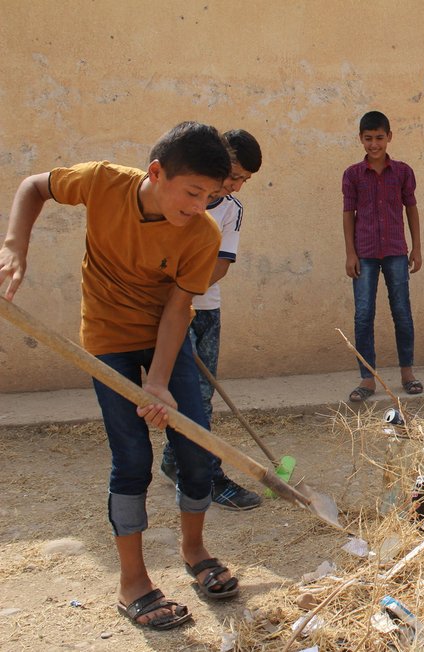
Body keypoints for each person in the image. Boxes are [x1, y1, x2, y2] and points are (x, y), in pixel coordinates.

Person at [0, 122, 240, 631]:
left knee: (196, 447)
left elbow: (178, 312)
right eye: (193, 192)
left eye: (212, 197)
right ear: (156, 173)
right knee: (131, 456)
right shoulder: (103, 182)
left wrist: (157, 382)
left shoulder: (204, 233)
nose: (200, 206)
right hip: (107, 339)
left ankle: (194, 550)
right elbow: (33, 187)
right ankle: (133, 581)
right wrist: (14, 245)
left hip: (165, 339)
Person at [159, 129, 264, 511]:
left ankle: (178, 461)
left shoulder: (231, 210)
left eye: (243, 181)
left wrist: (187, 291)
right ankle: (205, 475)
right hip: (165, 310)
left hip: (204, 311)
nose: (235, 185)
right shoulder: (182, 197)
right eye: (233, 174)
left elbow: (220, 266)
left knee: (201, 396)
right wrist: (171, 300)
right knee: (187, 399)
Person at [342, 110, 423, 402]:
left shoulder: (403, 172)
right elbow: (348, 215)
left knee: (401, 311)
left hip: (396, 252)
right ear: (360, 140)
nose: (374, 144)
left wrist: (417, 247)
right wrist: (350, 252)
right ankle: (367, 378)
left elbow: (411, 209)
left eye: (379, 138)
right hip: (364, 253)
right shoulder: (352, 175)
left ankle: (407, 372)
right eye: (368, 139)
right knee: (363, 314)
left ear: (389, 137)